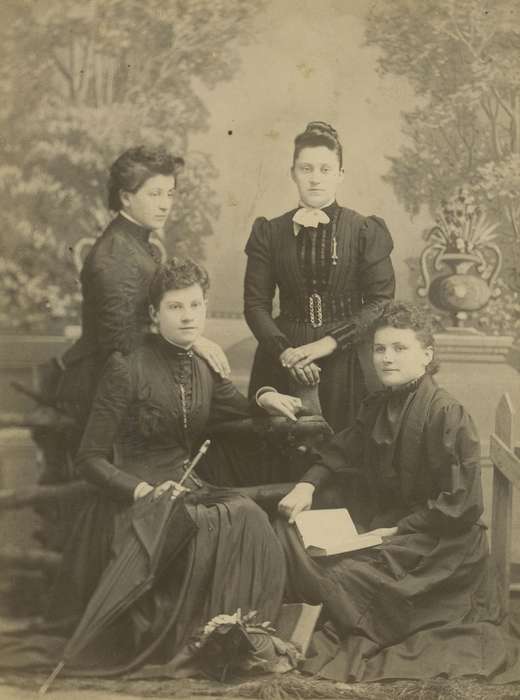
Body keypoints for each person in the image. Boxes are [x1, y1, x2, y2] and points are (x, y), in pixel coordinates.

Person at [2, 258, 298, 676]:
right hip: (130, 504)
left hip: (188, 486)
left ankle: (231, 637)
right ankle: (190, 640)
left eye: (195, 305)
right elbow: (89, 459)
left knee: (246, 516)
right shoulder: (126, 368)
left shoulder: (203, 366)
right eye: (175, 307)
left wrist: (266, 395)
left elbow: (241, 409)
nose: (188, 316)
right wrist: (141, 491)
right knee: (210, 521)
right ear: (154, 314)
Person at [275, 302, 514, 682]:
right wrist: (308, 483)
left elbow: (462, 504)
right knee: (301, 545)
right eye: (380, 349)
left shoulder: (446, 413)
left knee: (346, 575)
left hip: (441, 542)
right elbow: (341, 450)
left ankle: (312, 632)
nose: (387, 358)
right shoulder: (377, 404)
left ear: (426, 355)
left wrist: (398, 530)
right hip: (394, 528)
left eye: (400, 348)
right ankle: (300, 628)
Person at [57, 145, 229, 430]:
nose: (165, 204)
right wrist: (192, 342)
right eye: (154, 194)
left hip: (130, 375)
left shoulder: (135, 243)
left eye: (169, 194)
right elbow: (120, 342)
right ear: (125, 197)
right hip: (106, 388)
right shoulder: (115, 254)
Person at [244, 121, 395, 432]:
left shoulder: (364, 230)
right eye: (306, 169)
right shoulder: (270, 233)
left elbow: (381, 301)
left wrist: (329, 343)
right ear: (293, 173)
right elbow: (255, 304)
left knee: (347, 446)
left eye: (325, 170)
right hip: (284, 355)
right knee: (286, 451)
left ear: (340, 174)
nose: (315, 179)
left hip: (347, 354)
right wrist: (285, 353)